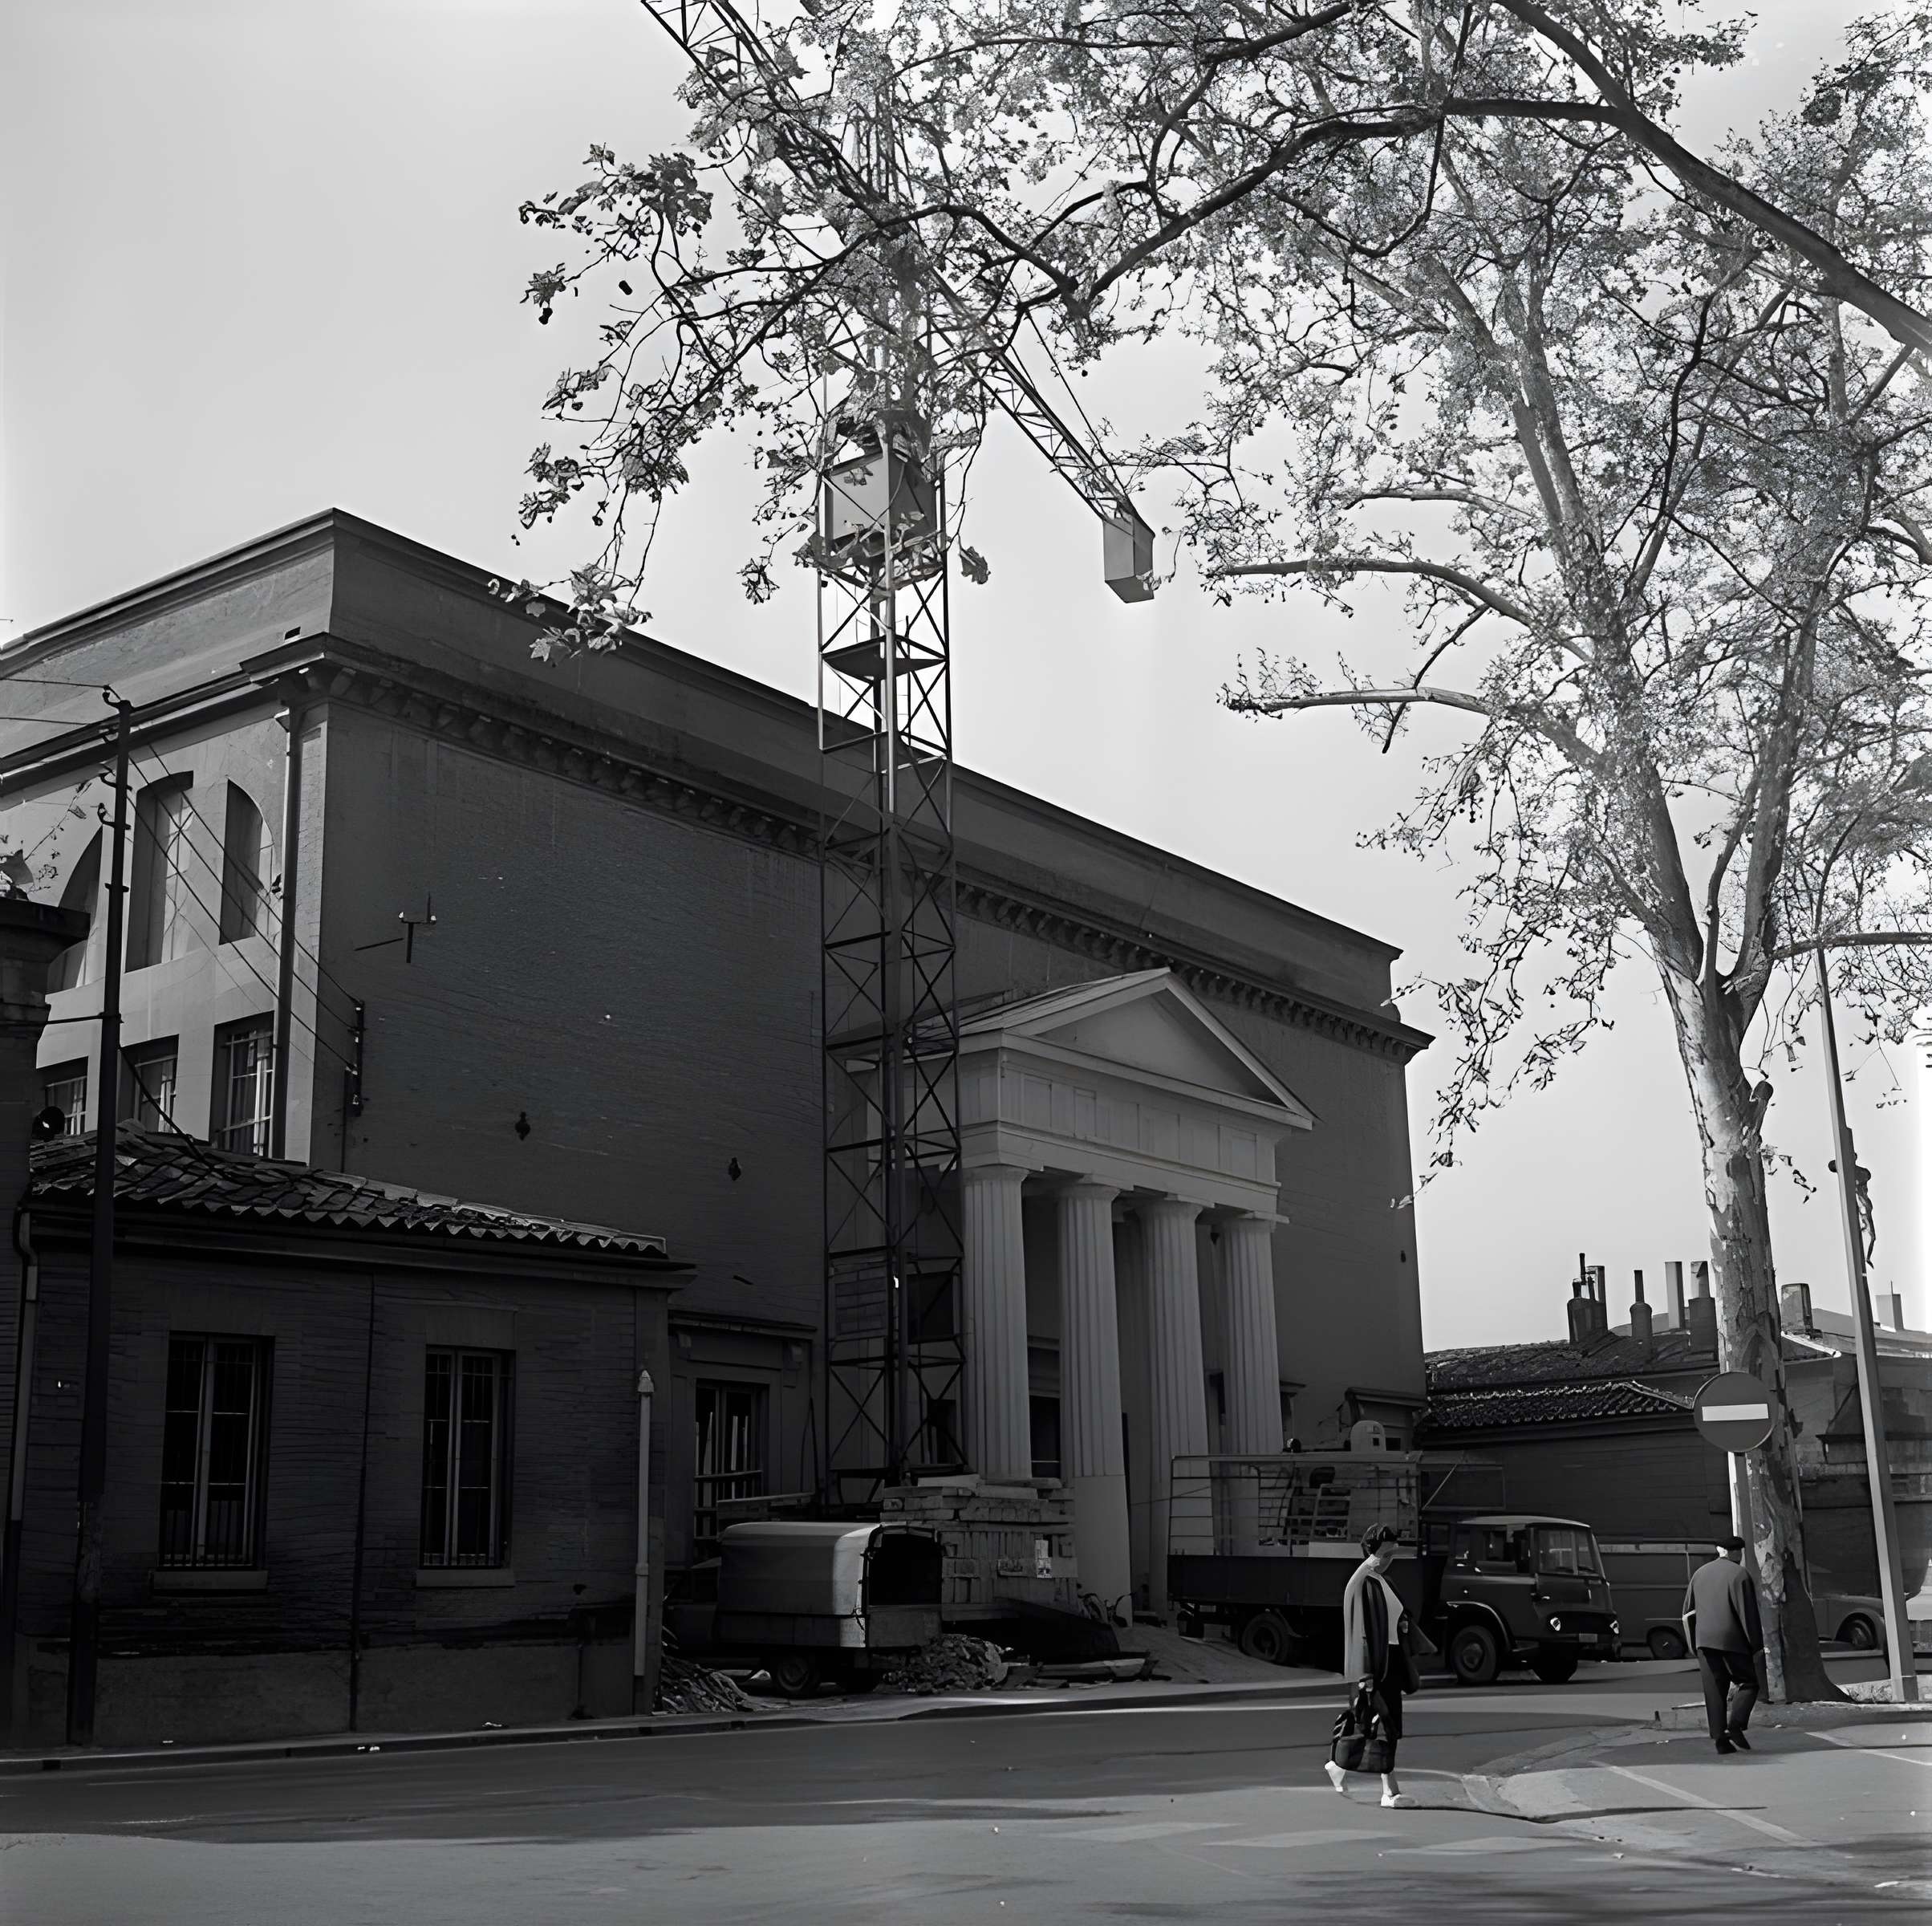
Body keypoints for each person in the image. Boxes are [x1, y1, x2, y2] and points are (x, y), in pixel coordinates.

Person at [1326, 1523, 1423, 1808]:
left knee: (1375, 1725)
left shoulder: (1385, 1582)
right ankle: (1389, 1792)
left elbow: (1399, 1614)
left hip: (1391, 1661)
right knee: (1384, 1726)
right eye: (1384, 1554)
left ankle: (1338, 1766)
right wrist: (1365, 1673)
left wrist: (1403, 1622)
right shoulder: (1362, 1583)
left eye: (1392, 1555)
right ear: (1370, 1553)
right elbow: (1361, 1632)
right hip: (1375, 1665)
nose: (1389, 1560)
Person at [1681, 1535, 1764, 1756]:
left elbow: (1687, 1612)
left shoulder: (1699, 1574)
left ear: (1719, 1551)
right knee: (1749, 1683)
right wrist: (1756, 1646)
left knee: (1715, 1691)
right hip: (1732, 1640)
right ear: (1737, 1553)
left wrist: (1693, 1644)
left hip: (1704, 1642)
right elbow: (1748, 1615)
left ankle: (1720, 1739)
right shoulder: (1740, 1575)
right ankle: (1736, 1724)